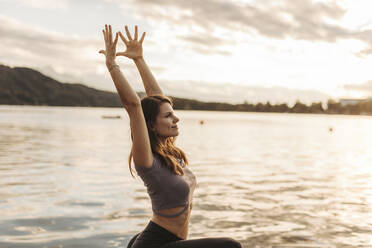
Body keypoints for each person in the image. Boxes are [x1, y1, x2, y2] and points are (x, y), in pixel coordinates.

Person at [99, 24, 242, 248]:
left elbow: (156, 99)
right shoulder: (146, 161)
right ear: (152, 125)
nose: (176, 119)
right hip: (155, 244)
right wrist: (112, 65)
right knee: (230, 246)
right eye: (168, 117)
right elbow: (134, 105)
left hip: (170, 241)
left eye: (174, 114)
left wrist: (139, 60)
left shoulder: (170, 153)